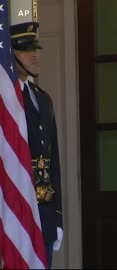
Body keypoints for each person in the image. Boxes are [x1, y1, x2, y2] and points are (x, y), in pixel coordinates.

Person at [10, 21, 63, 268]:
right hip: (14, 215)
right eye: (25, 49)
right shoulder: (5, 101)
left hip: (44, 215)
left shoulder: (42, 99)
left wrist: (58, 217)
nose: (34, 54)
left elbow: (54, 166)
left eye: (35, 47)